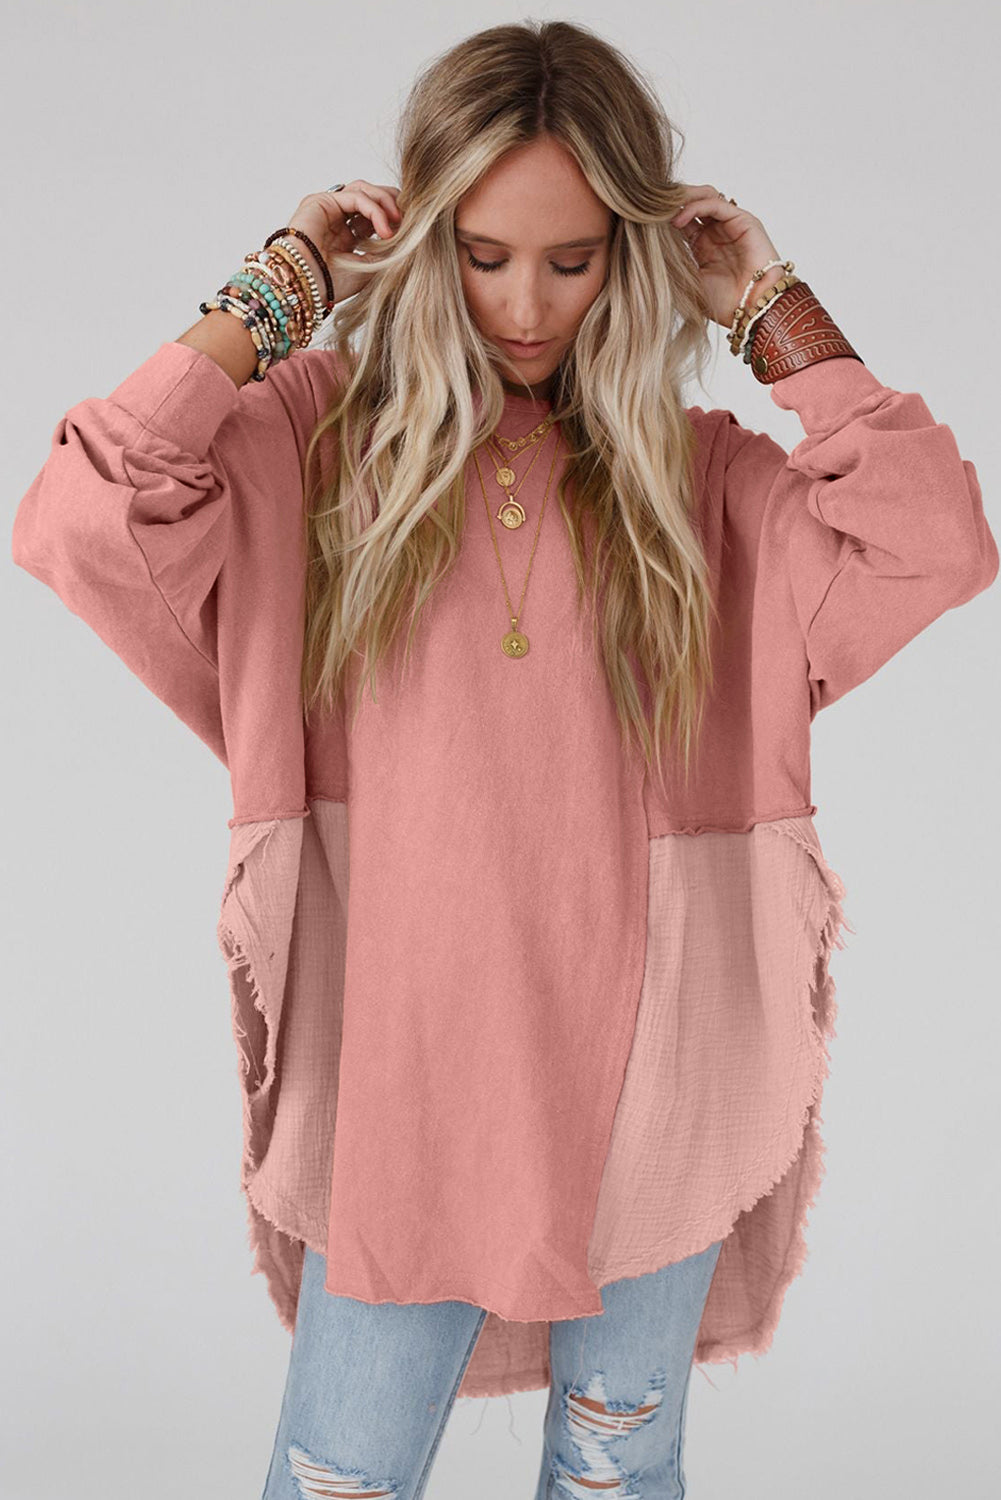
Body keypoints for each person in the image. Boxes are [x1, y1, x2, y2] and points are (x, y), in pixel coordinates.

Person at [10, 18, 998, 1500]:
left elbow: (933, 544)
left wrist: (773, 312)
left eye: (571, 259)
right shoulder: (317, 450)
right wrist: (278, 287)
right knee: (339, 1477)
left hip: (659, 1088)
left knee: (616, 1479)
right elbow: (85, 515)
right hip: (408, 1086)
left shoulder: (701, 486)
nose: (525, 305)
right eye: (481, 255)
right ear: (424, 243)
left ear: (630, 257)